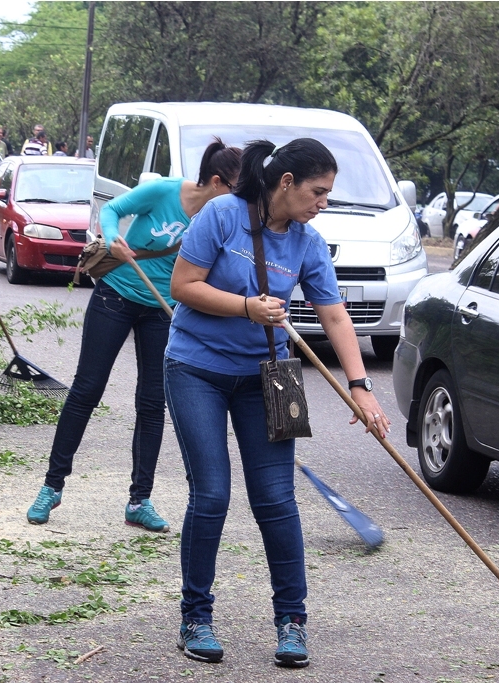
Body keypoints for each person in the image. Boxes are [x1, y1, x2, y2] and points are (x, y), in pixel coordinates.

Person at [164, 139, 391, 668]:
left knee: (276, 500)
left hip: (270, 376)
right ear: (286, 182)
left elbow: (334, 315)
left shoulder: (309, 243)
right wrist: (246, 307)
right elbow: (183, 285)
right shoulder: (221, 215)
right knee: (213, 493)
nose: (323, 203)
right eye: (318, 191)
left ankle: (292, 621)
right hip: (197, 368)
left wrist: (361, 387)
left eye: (328, 194)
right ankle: (195, 616)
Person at [25, 138, 241, 532]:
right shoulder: (164, 192)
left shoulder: (218, 219)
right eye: (235, 190)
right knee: (87, 389)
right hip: (117, 295)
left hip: (162, 310)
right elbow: (112, 210)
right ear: (216, 182)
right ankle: (51, 486)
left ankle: (139, 500)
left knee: (151, 402)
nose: (238, 200)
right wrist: (113, 240)